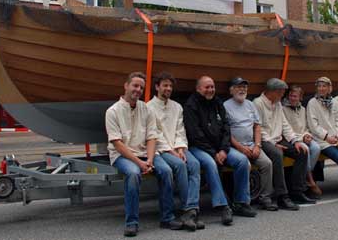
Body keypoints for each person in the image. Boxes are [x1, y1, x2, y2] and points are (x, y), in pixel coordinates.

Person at [105, 72, 180, 237]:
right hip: (122, 155)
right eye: (135, 86)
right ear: (126, 86)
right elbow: (117, 144)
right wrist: (140, 163)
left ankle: (167, 218)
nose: (138, 90)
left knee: (166, 171)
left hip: (146, 154)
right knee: (133, 173)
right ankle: (131, 222)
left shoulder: (146, 109)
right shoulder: (112, 111)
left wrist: (151, 160)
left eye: (141, 87)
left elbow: (152, 137)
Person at [184, 76, 256, 226]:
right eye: (207, 87)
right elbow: (195, 134)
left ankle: (240, 202)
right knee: (210, 163)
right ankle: (223, 206)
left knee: (242, 161)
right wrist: (214, 152)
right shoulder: (191, 105)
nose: (210, 90)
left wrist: (223, 149)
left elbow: (226, 128)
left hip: (220, 148)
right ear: (198, 89)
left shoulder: (217, 102)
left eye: (212, 87)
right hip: (199, 148)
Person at [147, 72, 203, 231]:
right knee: (180, 165)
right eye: (165, 85)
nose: (168, 88)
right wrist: (172, 152)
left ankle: (191, 210)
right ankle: (187, 210)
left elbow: (180, 130)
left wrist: (180, 148)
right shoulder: (148, 108)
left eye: (170, 86)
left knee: (195, 164)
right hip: (162, 149)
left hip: (178, 147)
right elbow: (154, 134)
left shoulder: (177, 107)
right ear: (157, 87)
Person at [253, 78, 315, 208]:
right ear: (273, 92)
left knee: (302, 151)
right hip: (265, 140)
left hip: (278, 138)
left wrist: (295, 141)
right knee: (277, 154)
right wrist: (272, 143)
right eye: (281, 93)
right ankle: (282, 195)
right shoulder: (258, 103)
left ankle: (297, 191)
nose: (283, 95)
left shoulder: (277, 103)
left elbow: (284, 124)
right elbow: (259, 128)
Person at [224, 77, 278, 211]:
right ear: (231, 90)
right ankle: (242, 201)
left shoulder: (250, 104)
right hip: (235, 147)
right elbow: (226, 132)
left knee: (267, 163)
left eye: (244, 87)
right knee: (245, 165)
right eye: (238, 87)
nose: (242, 89)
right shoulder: (225, 106)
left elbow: (257, 127)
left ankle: (265, 198)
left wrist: (257, 145)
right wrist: (241, 148)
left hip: (252, 144)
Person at [282, 85, 323, 198]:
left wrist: (307, 135)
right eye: (291, 95)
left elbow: (306, 126)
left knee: (316, 148)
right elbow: (286, 128)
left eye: (295, 96)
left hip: (303, 136)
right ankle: (310, 180)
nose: (293, 98)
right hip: (292, 138)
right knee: (305, 150)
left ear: (300, 98)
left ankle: (305, 175)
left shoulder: (303, 109)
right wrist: (300, 139)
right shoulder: (283, 109)